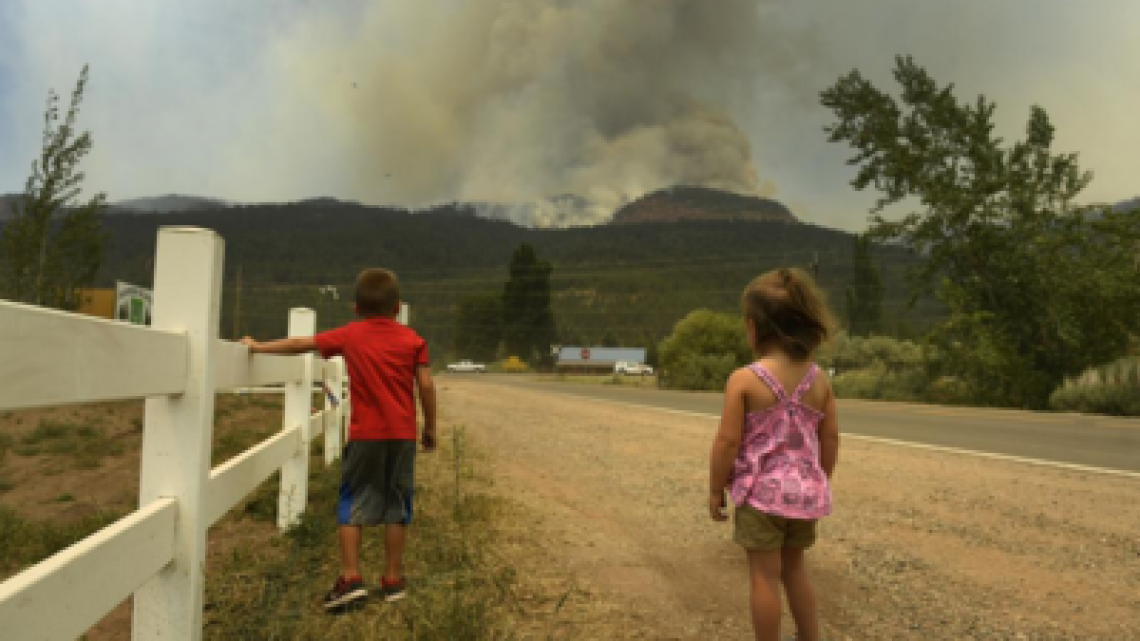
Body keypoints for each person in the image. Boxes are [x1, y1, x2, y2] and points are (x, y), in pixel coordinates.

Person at [242, 268, 437, 610]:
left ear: (356, 309)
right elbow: (425, 385)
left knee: (353, 501)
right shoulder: (413, 340)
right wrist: (430, 426)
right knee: (397, 505)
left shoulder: (351, 335)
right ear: (397, 307)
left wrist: (258, 347)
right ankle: (393, 579)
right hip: (402, 435)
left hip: (365, 436)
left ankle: (351, 578)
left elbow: (300, 344)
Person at [707, 267, 840, 641]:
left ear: (753, 327)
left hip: (760, 496)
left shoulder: (745, 379)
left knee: (764, 575)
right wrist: (819, 479)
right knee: (795, 569)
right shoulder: (819, 380)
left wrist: (717, 489)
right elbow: (829, 438)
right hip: (804, 494)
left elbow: (727, 442)